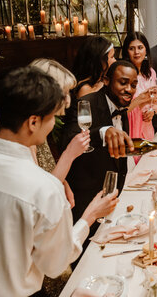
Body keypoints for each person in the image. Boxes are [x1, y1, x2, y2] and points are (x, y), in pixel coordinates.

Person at [0, 67, 118, 296]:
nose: (53, 126)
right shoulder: (43, 188)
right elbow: (55, 265)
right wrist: (89, 217)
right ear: (33, 122)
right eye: (53, 118)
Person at [61, 60, 137, 227]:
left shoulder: (121, 106)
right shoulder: (85, 103)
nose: (129, 89)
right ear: (107, 80)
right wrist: (103, 131)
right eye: (123, 83)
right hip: (85, 202)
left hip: (109, 200)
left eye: (133, 84)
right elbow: (69, 139)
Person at [29, 58, 90, 207]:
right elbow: (40, 194)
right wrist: (69, 154)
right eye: (65, 92)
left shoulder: (40, 126)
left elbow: (47, 174)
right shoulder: (27, 137)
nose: (68, 99)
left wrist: (63, 181)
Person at [122, 32, 157, 144]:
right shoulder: (124, 75)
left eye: (140, 47)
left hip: (147, 128)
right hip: (131, 127)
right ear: (126, 52)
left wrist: (153, 111)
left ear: (146, 50)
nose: (136, 52)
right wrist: (141, 99)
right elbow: (119, 111)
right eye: (132, 48)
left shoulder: (150, 72)